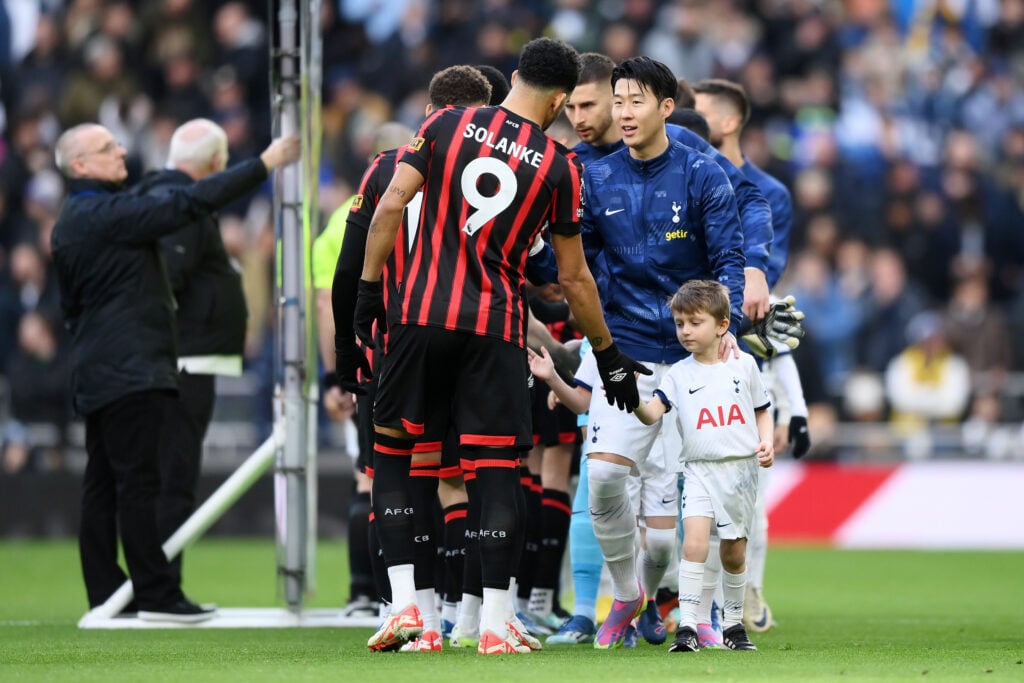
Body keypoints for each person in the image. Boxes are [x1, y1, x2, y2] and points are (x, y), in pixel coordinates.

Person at [353, 37, 646, 655]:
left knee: (397, 455)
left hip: (418, 315)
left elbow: (390, 206)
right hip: (494, 327)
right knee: (494, 471)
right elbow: (571, 278)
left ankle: (408, 609)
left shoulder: (444, 122)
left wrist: (369, 291)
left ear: (514, 76)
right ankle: (495, 623)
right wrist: (608, 355)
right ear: (563, 100)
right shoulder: (561, 167)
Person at [51, 122, 299, 622]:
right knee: (141, 484)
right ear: (80, 165)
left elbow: (73, 306)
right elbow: (184, 204)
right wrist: (265, 164)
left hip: (101, 366)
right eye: (106, 148)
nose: (121, 151)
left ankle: (108, 593)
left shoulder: (75, 220)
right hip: (133, 370)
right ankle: (157, 594)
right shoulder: (105, 214)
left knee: (102, 485)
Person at [578, 55, 746, 650]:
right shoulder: (596, 179)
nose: (623, 113)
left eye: (635, 101)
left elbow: (729, 258)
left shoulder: (704, 175)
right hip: (624, 352)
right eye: (617, 100)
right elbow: (575, 265)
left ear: (666, 107)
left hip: (691, 360)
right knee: (601, 480)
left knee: (681, 527)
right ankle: (626, 596)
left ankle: (688, 608)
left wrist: (731, 326)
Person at [335, 66, 496, 652]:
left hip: (399, 343)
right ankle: (478, 615)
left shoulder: (384, 169)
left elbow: (349, 269)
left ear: (430, 109)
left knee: (397, 471)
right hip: (482, 339)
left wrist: (346, 347)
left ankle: (410, 611)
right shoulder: (494, 169)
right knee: (480, 476)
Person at [694, 78, 811, 637]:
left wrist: (789, 407)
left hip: (743, 339)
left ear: (731, 121)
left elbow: (766, 274)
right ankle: (687, 599)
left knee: (745, 486)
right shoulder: (682, 173)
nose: (690, 119)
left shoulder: (767, 193)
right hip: (688, 337)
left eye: (702, 111)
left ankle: (749, 587)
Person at [123, 119, 249, 588]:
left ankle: (152, 582)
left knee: (161, 476)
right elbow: (164, 282)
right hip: (184, 361)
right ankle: (160, 586)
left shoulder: (154, 195)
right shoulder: (181, 205)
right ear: (216, 165)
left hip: (172, 359)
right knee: (172, 479)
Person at [632, 280, 774, 653]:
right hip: (697, 469)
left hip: (740, 472)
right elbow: (651, 414)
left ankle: (731, 624)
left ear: (722, 325)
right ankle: (689, 627)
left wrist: (767, 442)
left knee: (732, 553)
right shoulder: (677, 374)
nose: (685, 331)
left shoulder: (744, 366)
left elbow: (762, 411)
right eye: (680, 323)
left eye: (695, 322)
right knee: (693, 543)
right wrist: (630, 397)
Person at [313, 121, 414, 620]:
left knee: (371, 475)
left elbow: (325, 301)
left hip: (368, 360)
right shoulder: (425, 200)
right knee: (414, 475)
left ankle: (365, 593)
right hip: (398, 352)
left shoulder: (338, 222)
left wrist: (334, 372)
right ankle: (416, 598)